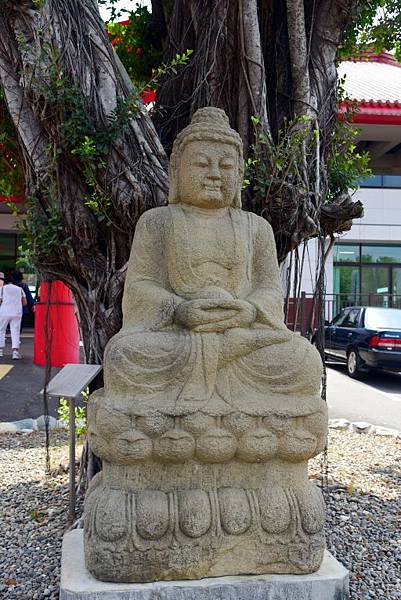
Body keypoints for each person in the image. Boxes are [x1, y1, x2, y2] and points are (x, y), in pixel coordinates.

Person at [103, 107, 323, 416]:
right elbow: (140, 286)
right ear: (176, 171)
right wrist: (179, 310)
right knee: (123, 356)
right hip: (178, 336)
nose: (215, 174)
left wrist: (249, 310)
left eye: (226, 165)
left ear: (240, 173)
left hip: (242, 335)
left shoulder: (256, 227)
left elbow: (270, 290)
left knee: (304, 360)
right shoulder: (157, 222)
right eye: (202, 164)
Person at [0, 272, 27, 359]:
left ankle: (0, 351)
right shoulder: (20, 289)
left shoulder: (2, 289)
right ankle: (15, 352)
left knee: (1, 330)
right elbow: (24, 302)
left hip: (4, 312)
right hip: (16, 312)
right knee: (15, 331)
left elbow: (0, 301)